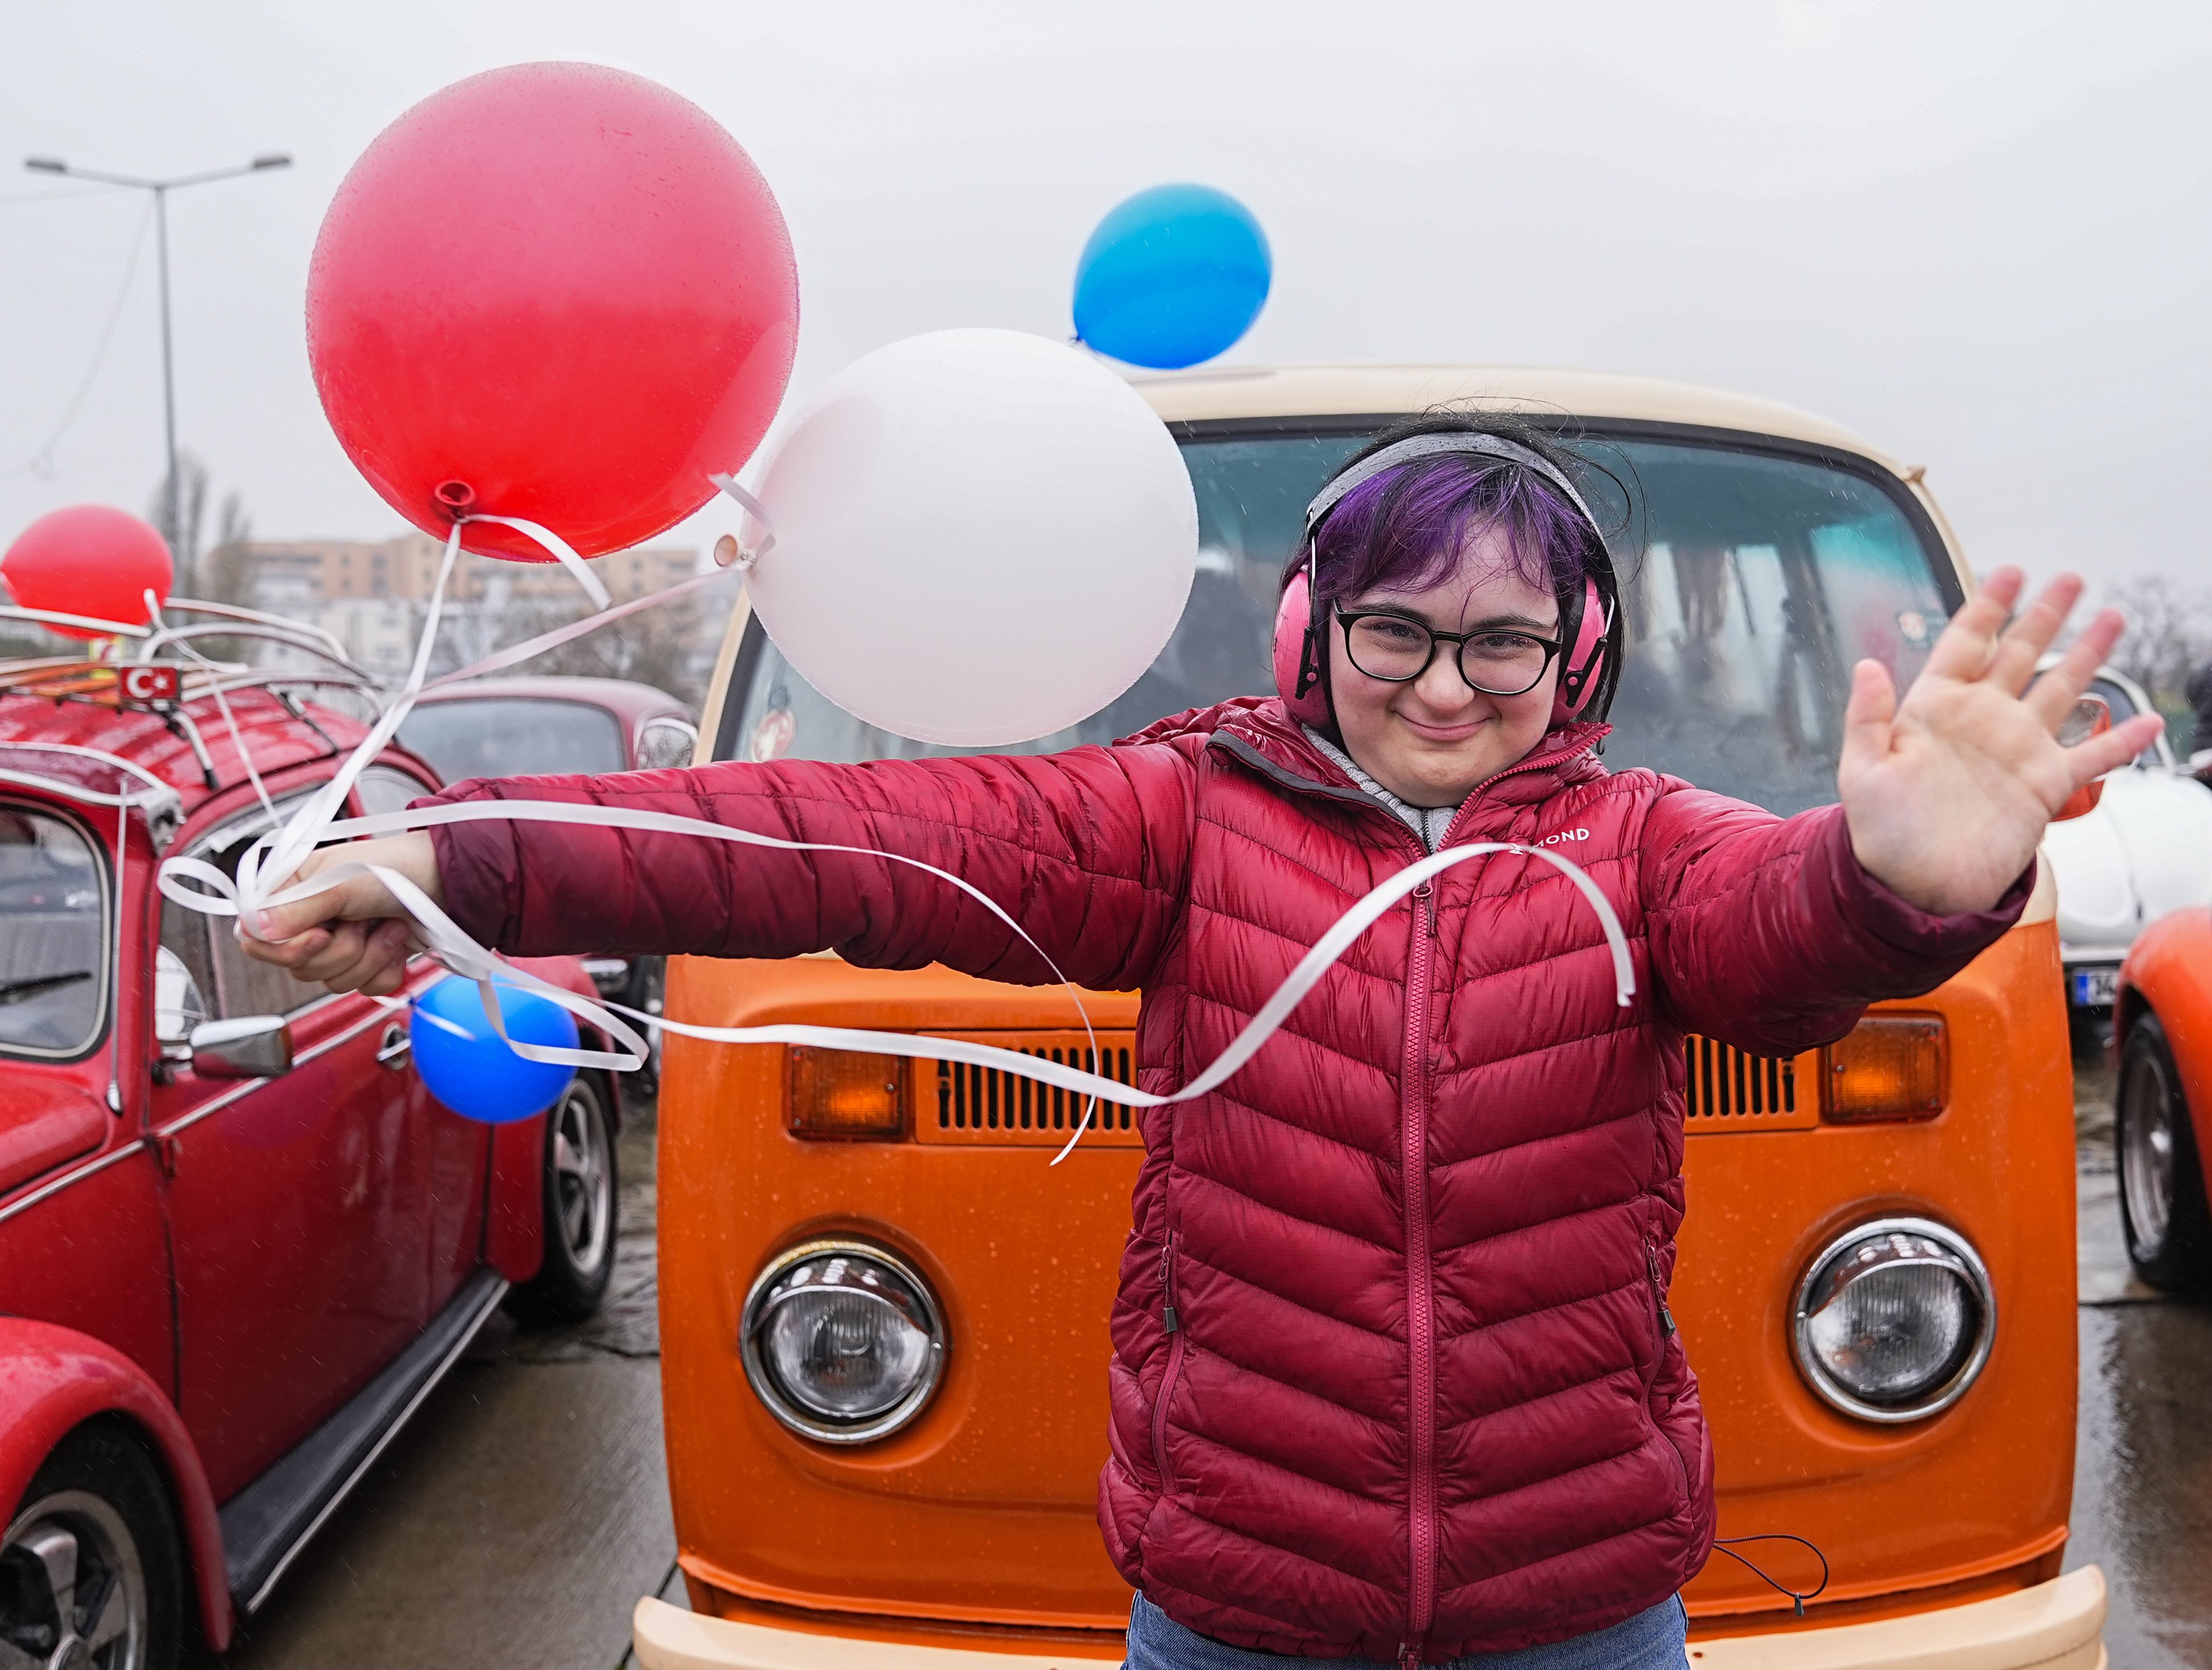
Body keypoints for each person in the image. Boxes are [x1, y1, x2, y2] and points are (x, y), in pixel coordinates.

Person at [240, 415, 2157, 1668]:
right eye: (1396, 629)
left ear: (1576, 659)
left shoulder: (1644, 850)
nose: (1442, 682)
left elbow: (1789, 939)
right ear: (1315, 630)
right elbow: (847, 840)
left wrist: (1908, 885)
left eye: (1504, 641)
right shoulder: (1181, 819)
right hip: (1238, 1598)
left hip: (1580, 1602)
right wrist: (465, 861)